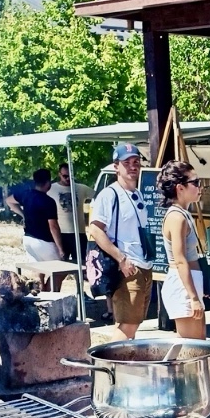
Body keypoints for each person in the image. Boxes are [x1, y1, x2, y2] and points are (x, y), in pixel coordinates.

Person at [88, 143, 153, 336]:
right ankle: (111, 365)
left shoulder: (137, 194)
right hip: (127, 268)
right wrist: (121, 259)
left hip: (143, 265)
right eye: (127, 163)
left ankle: (125, 362)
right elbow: (95, 229)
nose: (133, 166)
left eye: (136, 162)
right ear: (116, 166)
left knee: (134, 323)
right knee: (127, 325)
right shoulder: (109, 194)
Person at [156, 162, 207, 339]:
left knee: (196, 345)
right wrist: (193, 297)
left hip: (189, 282)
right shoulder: (177, 217)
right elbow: (180, 260)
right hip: (182, 284)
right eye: (196, 182)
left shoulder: (183, 214)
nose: (200, 187)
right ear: (180, 188)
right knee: (192, 347)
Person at [8, 168, 63, 263]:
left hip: (28, 239)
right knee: (61, 268)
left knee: (38, 266)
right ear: (48, 182)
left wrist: (23, 215)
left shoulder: (25, 194)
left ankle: (40, 279)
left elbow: (9, 201)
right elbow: (53, 227)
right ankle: (48, 279)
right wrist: (60, 249)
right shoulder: (49, 201)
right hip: (44, 241)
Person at [48, 164, 78, 259]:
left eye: (71, 176)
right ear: (59, 174)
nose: (68, 178)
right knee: (60, 265)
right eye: (65, 176)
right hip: (60, 234)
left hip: (78, 234)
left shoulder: (81, 188)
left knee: (82, 266)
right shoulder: (50, 189)